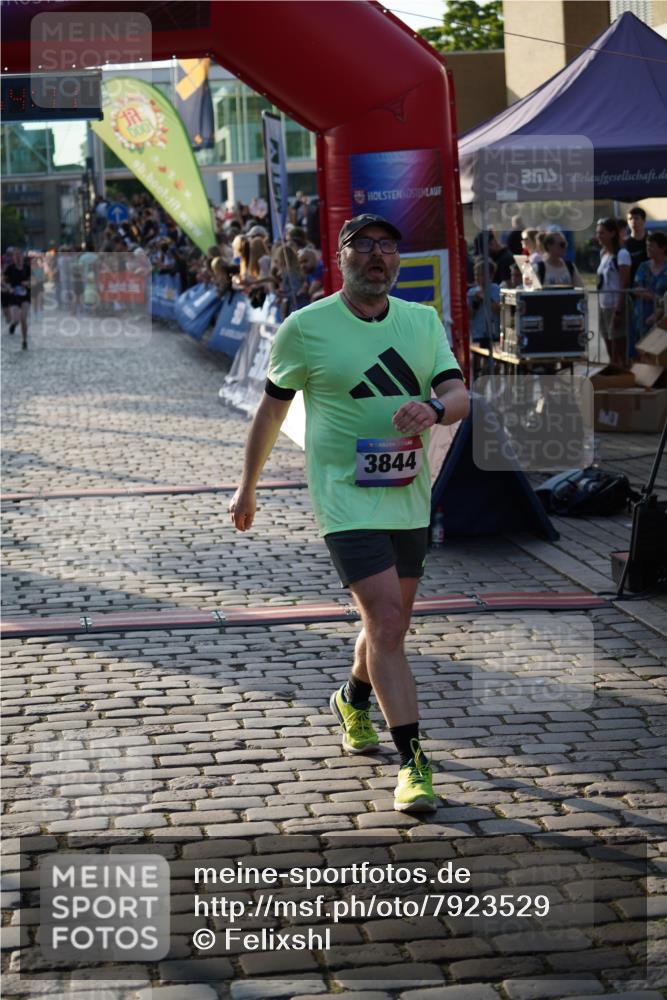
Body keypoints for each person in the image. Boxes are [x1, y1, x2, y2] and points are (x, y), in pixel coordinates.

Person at [229, 213, 470, 813]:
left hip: (409, 494)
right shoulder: (306, 328)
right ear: (341, 257)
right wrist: (247, 487)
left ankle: (352, 699)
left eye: (388, 248)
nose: (377, 258)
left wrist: (434, 410)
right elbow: (271, 412)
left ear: (398, 261)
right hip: (343, 497)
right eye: (364, 247)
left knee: (388, 627)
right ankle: (414, 764)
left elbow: (461, 395)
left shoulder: (420, 322)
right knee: (387, 623)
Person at [596, 217, 631, 366]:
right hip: (604, 306)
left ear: (612, 233)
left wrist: (618, 310)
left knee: (619, 347)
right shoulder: (603, 254)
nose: (599, 236)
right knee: (609, 346)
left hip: (616, 307)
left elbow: (624, 283)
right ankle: (615, 376)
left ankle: (624, 377)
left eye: (602, 233)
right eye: (598, 233)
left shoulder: (622, 254)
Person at [633, 231, 667, 345]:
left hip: (663, 317)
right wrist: (656, 298)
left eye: (651, 245)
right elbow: (637, 289)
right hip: (642, 315)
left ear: (662, 248)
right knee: (641, 348)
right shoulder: (644, 266)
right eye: (647, 245)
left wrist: (659, 307)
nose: (648, 248)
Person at [467, 258, 501, 345]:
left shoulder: (496, 289)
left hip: (493, 332)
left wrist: (485, 298)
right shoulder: (472, 292)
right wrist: (475, 303)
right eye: (476, 275)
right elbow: (469, 315)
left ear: (490, 275)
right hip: (477, 333)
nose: (477, 278)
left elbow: (498, 309)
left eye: (480, 275)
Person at [3, 248, 31, 349]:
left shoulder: (27, 268)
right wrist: (9, 288)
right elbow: (3, 281)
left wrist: (28, 283)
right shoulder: (10, 268)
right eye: (16, 256)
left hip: (25, 295)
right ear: (13, 258)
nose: (18, 258)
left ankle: (24, 341)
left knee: (23, 318)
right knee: (16, 319)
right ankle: (13, 325)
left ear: (23, 257)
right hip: (13, 295)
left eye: (20, 255)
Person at [625, 206, 649, 283]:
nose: (633, 221)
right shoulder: (625, 243)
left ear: (644, 221)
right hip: (631, 285)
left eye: (636, 218)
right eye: (630, 219)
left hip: (650, 285)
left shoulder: (650, 241)